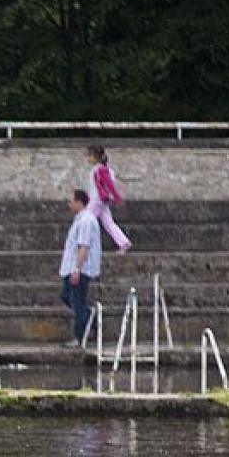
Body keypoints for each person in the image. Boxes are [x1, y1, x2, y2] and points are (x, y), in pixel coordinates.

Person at [59, 189, 102, 348]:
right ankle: (90, 318)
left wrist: (77, 269)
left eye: (71, 200)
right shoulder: (80, 219)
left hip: (80, 269)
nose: (68, 204)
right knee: (66, 296)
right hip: (71, 267)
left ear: (79, 202)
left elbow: (83, 246)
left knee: (77, 302)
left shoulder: (86, 221)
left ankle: (79, 337)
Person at [86, 145, 131, 254]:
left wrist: (116, 197)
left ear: (95, 157)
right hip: (101, 200)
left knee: (86, 220)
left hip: (97, 200)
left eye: (89, 156)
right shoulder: (105, 170)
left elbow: (108, 185)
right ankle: (123, 242)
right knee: (108, 223)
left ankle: (83, 244)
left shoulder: (99, 169)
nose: (87, 158)